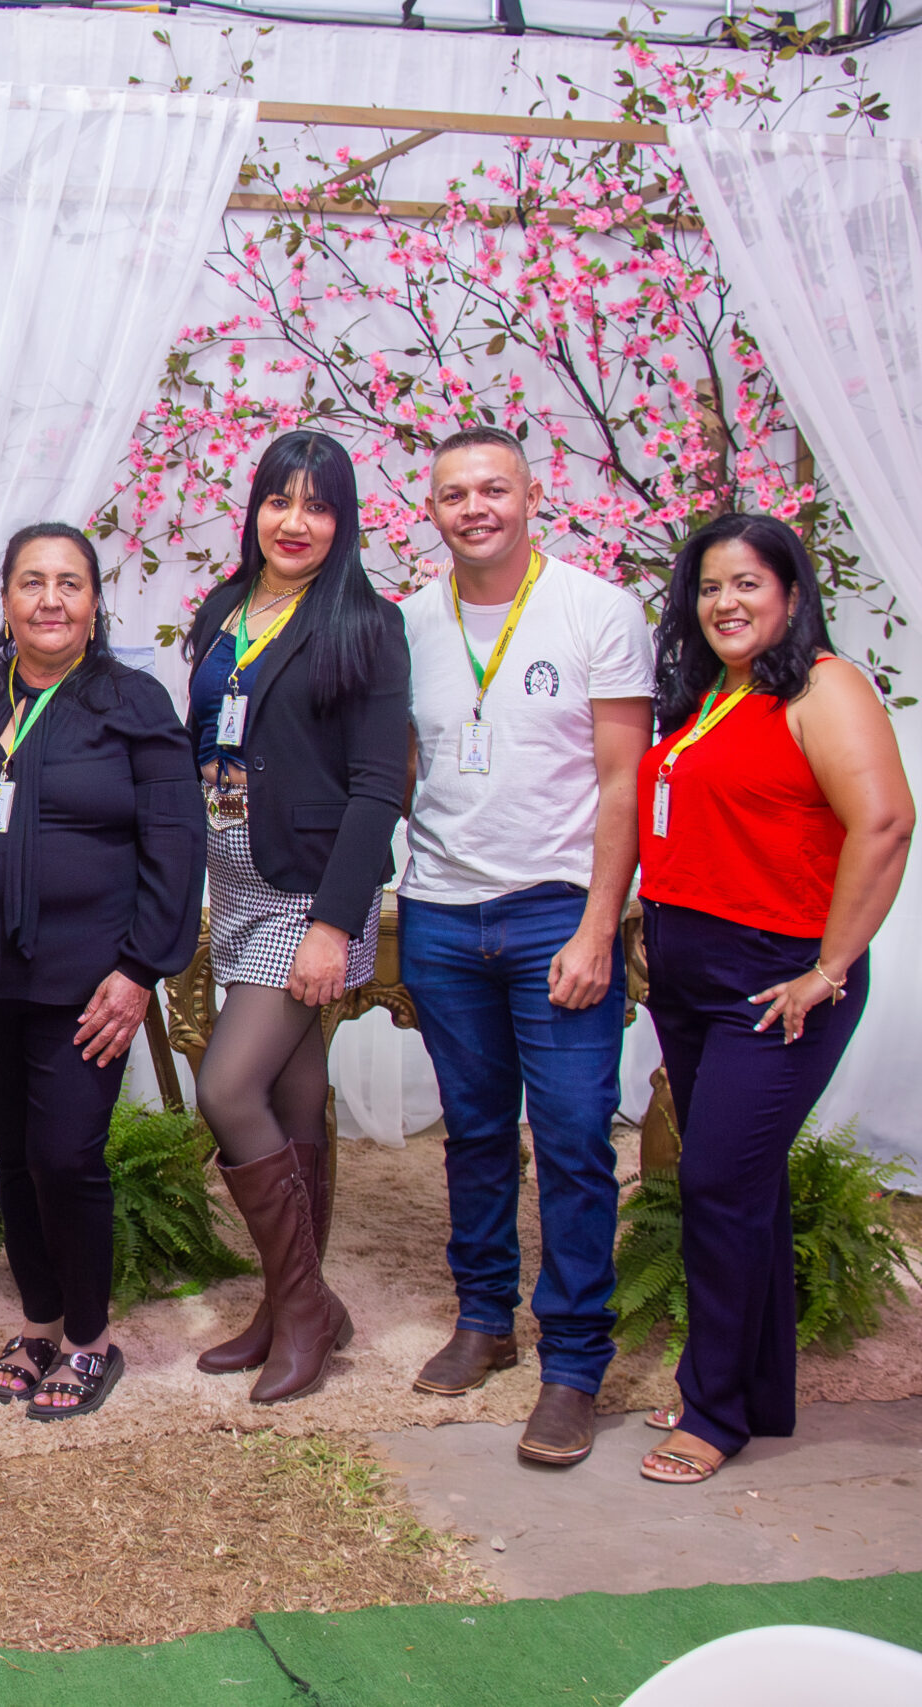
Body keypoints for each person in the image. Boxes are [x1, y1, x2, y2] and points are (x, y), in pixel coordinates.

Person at [0, 524, 204, 1422]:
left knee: (68, 1155)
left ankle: (89, 1339)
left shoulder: (133, 701)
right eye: (32, 581)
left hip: (89, 978)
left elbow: (177, 843)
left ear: (95, 601)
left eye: (70, 583)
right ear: (4, 599)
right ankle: (37, 1326)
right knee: (20, 1155)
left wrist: (142, 967)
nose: (51, 599)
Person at [632, 513, 911, 1486]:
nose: (725, 602)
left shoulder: (822, 685)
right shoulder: (713, 692)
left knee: (713, 1180)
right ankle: (752, 1389)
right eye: (709, 586)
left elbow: (883, 822)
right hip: (690, 977)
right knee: (739, 1185)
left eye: (747, 583)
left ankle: (712, 1412)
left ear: (790, 593)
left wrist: (829, 970)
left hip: (777, 984)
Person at [398, 426, 653, 1468]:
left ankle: (574, 1365)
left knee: (577, 1139)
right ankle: (485, 1319)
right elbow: (403, 766)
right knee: (470, 1133)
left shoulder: (597, 608)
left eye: (492, 488)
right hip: (440, 913)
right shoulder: (409, 621)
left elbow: (623, 779)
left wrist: (600, 924)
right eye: (454, 493)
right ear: (433, 509)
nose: (474, 508)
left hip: (556, 911)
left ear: (531, 494)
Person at [183, 429, 407, 1406]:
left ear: (341, 520)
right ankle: (291, 1307)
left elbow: (373, 789)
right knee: (291, 1096)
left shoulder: (366, 623)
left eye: (318, 505)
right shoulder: (222, 608)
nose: (295, 521)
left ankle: (305, 1306)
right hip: (232, 884)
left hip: (309, 896)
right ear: (256, 508)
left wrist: (332, 924)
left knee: (228, 1089)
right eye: (281, 500)